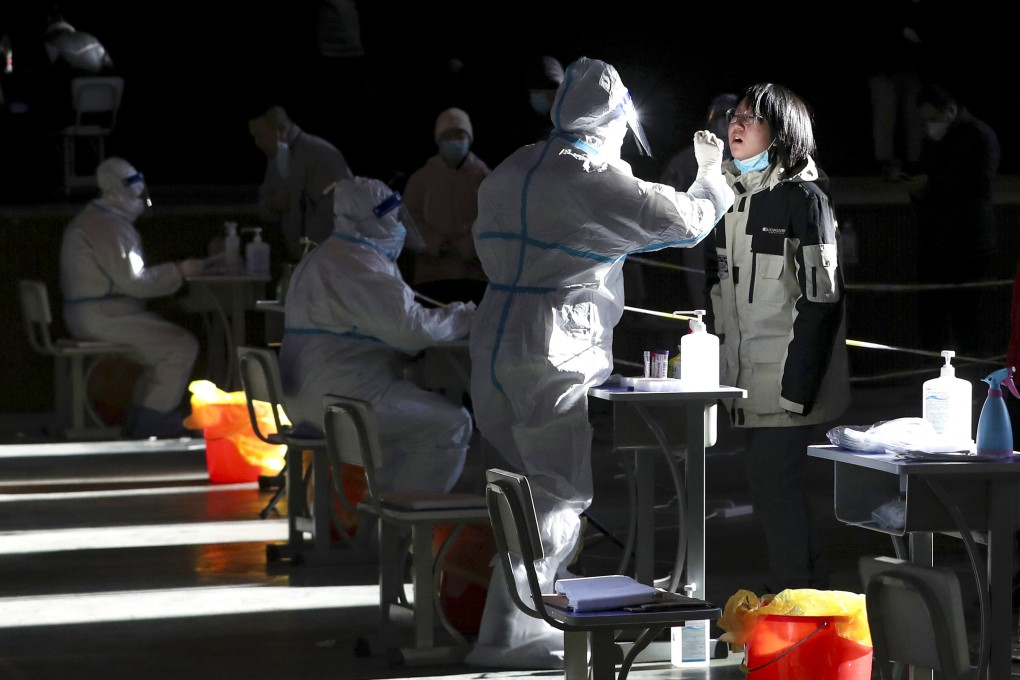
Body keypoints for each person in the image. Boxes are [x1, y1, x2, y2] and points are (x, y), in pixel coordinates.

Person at [465, 56, 734, 669]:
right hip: (552, 346)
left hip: (494, 341)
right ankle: (514, 633)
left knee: (513, 491)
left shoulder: (515, 166)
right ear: (613, 118)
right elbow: (684, 222)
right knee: (557, 495)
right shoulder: (591, 178)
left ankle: (502, 624)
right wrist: (713, 177)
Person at [705, 83, 850, 592]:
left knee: (773, 482)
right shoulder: (730, 198)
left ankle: (795, 599)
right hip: (747, 383)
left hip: (789, 386)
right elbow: (721, 295)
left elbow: (821, 302)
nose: (735, 126)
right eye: (734, 116)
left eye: (751, 118)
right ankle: (803, 597)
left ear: (783, 133)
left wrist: (797, 390)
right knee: (774, 489)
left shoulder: (805, 200)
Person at [278, 176, 475, 494]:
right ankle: (401, 529)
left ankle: (370, 518)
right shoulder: (358, 263)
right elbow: (411, 330)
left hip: (310, 398)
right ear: (371, 220)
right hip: (344, 400)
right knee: (453, 424)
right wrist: (465, 316)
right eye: (392, 216)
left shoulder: (327, 255)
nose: (398, 225)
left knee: (408, 424)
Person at [59, 157, 206, 439]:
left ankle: (142, 421)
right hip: (104, 317)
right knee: (180, 346)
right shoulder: (108, 227)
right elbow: (136, 282)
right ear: (119, 192)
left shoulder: (95, 220)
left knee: (165, 347)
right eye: (136, 193)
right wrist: (180, 271)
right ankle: (151, 423)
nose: (141, 199)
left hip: (97, 314)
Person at [909, 82, 1001, 358]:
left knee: (969, 320)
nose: (929, 125)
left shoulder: (979, 136)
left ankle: (976, 383)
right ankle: (932, 378)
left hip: (968, 244)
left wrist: (930, 184)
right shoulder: (934, 138)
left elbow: (980, 185)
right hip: (934, 244)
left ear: (949, 110)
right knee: (931, 318)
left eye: (932, 118)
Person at [404, 107, 491, 305]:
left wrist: (467, 246)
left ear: (469, 138)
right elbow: (410, 217)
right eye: (448, 135)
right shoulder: (421, 179)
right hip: (432, 274)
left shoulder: (485, 177)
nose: (454, 140)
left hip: (474, 273)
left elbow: (494, 217)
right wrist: (435, 243)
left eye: (459, 134)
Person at [660, 92, 738, 311]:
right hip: (700, 238)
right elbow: (665, 197)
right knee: (703, 297)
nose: (724, 121)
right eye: (720, 115)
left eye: (730, 116)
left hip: (738, 237)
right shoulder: (687, 159)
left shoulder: (749, 161)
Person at [248, 104, 354, 264]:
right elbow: (264, 203)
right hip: (303, 259)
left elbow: (340, 208)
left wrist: (308, 243)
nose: (257, 143)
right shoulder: (277, 158)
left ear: (281, 130)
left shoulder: (320, 154)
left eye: (261, 135)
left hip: (329, 259)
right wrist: (273, 204)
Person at [36, 6, 116, 129]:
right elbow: (110, 69)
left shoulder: (49, 42)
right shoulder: (93, 39)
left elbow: (44, 76)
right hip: (103, 115)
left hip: (67, 116)